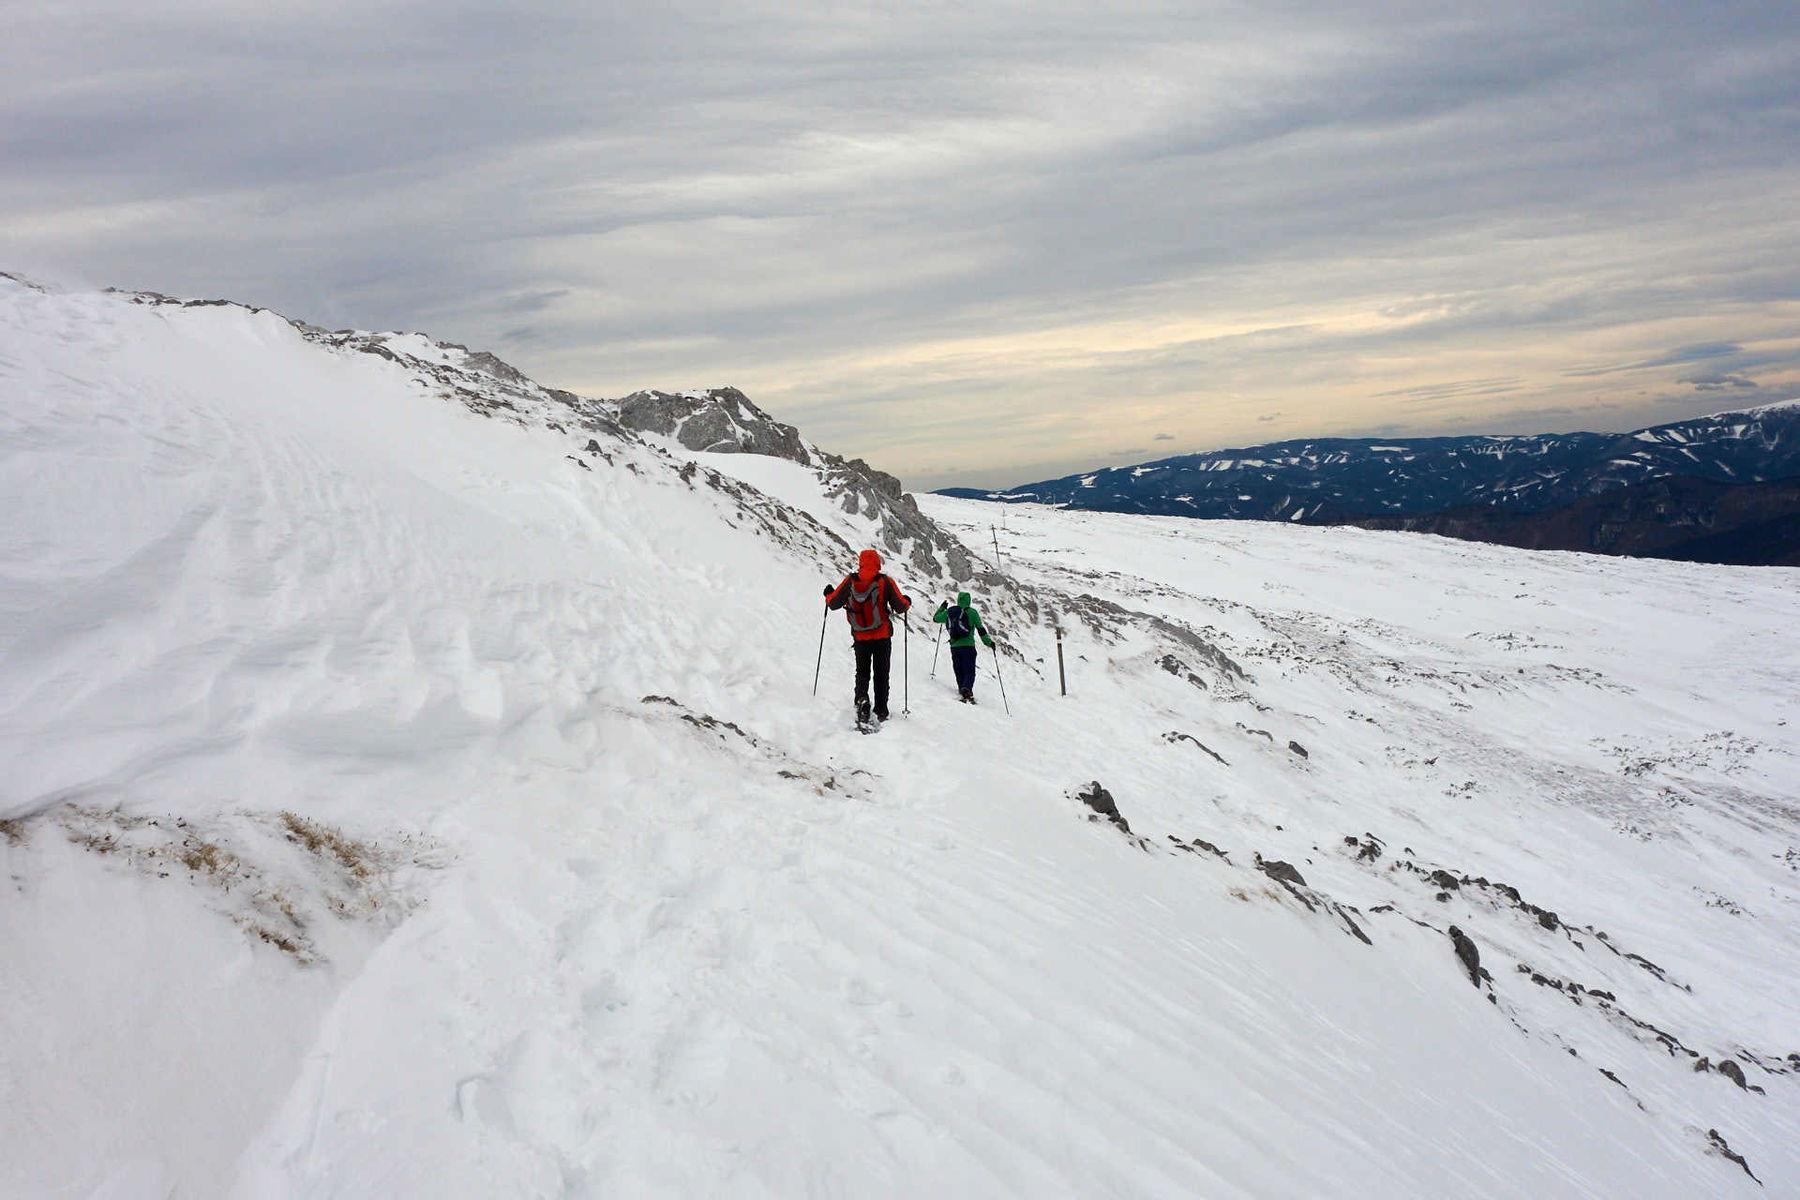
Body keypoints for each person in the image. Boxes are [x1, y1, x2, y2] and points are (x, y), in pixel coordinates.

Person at [824, 549, 912, 725]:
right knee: (881, 673)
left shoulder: (851, 581)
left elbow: (833, 603)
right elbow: (901, 606)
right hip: (882, 636)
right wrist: (907, 601)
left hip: (860, 637)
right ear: (878, 562)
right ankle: (881, 710)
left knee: (862, 672)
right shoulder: (885, 581)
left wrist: (827, 594)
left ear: (861, 562)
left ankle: (862, 700)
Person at [933, 590, 994, 703]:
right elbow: (981, 629)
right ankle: (967, 689)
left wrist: (942, 608)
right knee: (969, 670)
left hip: (955, 646)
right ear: (969, 601)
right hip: (968, 646)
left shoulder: (951, 612)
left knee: (958, 669)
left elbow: (935, 618)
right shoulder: (973, 613)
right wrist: (988, 643)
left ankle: (962, 689)